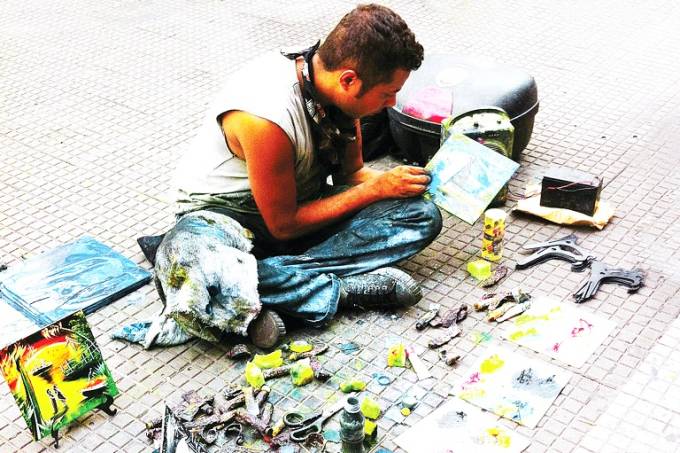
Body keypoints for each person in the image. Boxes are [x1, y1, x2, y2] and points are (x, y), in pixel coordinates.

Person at [160, 4, 442, 348]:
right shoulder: (266, 119)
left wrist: (404, 184)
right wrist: (377, 190)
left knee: (422, 214)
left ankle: (263, 291)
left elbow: (352, 174)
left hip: (298, 213)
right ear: (349, 80)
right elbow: (284, 225)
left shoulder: (334, 92)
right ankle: (345, 290)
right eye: (386, 93)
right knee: (198, 267)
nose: (392, 102)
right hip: (225, 219)